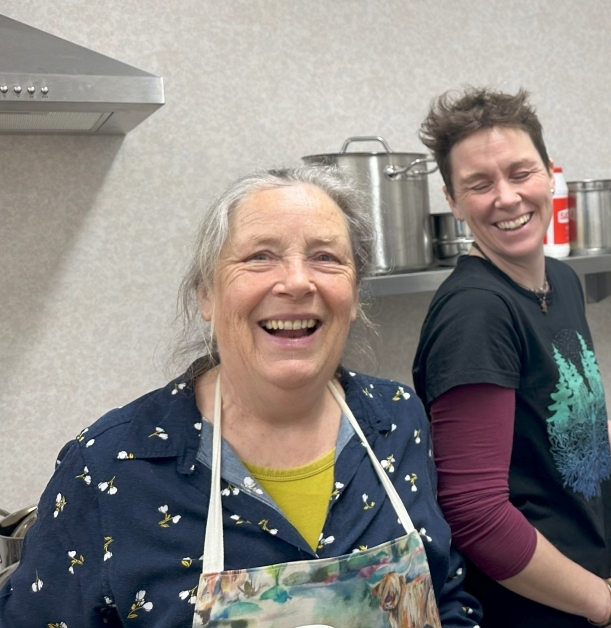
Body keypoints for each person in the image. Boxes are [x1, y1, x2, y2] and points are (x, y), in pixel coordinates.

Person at [0, 166, 481, 627]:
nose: (296, 281)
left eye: (325, 257)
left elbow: (448, 597)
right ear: (206, 295)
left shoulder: (396, 420)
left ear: (355, 294)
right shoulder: (112, 466)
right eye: (260, 256)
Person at [412, 87, 611, 628]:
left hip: (574, 586)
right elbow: (475, 514)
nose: (508, 198)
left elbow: (566, 424)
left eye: (521, 173)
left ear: (549, 175)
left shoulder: (558, 281)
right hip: (523, 608)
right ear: (452, 200)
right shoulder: (476, 313)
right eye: (479, 184)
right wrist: (605, 603)